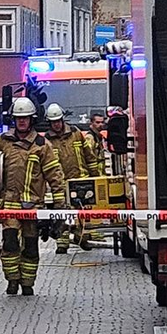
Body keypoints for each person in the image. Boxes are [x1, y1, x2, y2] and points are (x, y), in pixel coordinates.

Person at [0, 97, 68, 295]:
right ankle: (12, 281)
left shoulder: (41, 145)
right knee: (10, 243)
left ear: (32, 119)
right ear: (13, 119)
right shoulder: (2, 141)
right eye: (18, 118)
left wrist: (59, 205)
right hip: (9, 204)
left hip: (32, 206)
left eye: (25, 118)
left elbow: (55, 175)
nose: (22, 121)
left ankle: (28, 283)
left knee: (30, 246)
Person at [45, 104, 105, 254]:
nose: (56, 124)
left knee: (82, 212)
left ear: (62, 119)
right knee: (62, 211)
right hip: (61, 183)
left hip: (81, 179)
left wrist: (95, 177)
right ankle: (62, 243)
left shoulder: (76, 133)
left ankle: (82, 238)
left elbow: (89, 156)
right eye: (53, 122)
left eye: (58, 121)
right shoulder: (47, 141)